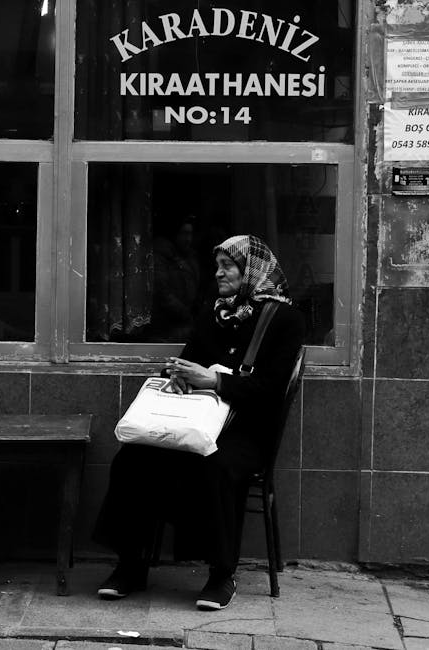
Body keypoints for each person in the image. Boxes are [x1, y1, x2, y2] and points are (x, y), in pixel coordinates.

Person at [93, 234, 305, 611]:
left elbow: (271, 390)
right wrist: (178, 375)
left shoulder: (283, 319)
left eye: (228, 266)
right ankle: (132, 563)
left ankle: (222, 574)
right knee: (134, 458)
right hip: (199, 420)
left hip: (247, 430)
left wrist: (217, 381)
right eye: (218, 265)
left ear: (252, 270)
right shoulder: (216, 311)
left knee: (216, 465)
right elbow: (190, 357)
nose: (218, 273)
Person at [150, 215, 201, 342]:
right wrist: (185, 314)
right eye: (184, 233)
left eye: (190, 234)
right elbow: (161, 291)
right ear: (174, 234)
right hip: (165, 326)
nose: (188, 239)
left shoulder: (189, 257)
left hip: (183, 323)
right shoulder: (162, 254)